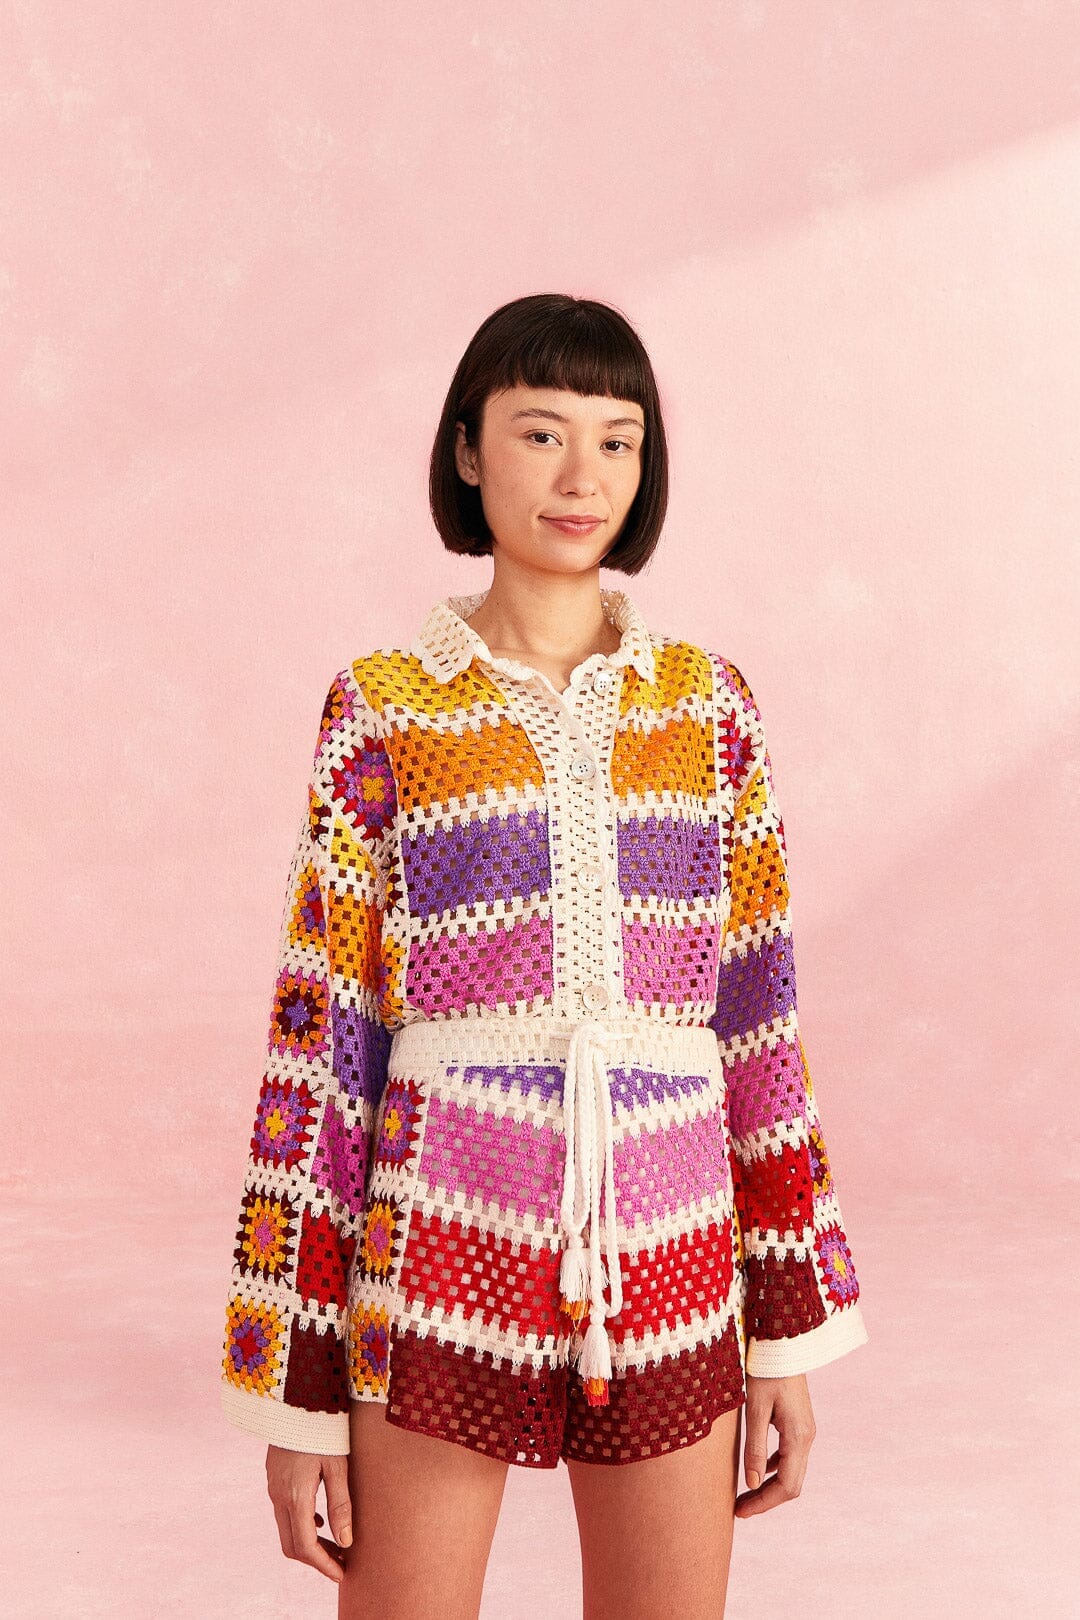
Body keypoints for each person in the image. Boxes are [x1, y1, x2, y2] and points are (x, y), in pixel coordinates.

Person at [220, 292, 868, 1619]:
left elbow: (760, 1025)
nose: (583, 478)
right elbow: (324, 1046)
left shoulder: (709, 706)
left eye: (617, 441)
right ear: (468, 450)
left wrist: (785, 1333)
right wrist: (299, 1398)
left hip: (675, 1260)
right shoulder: (383, 707)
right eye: (541, 433)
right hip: (436, 1255)